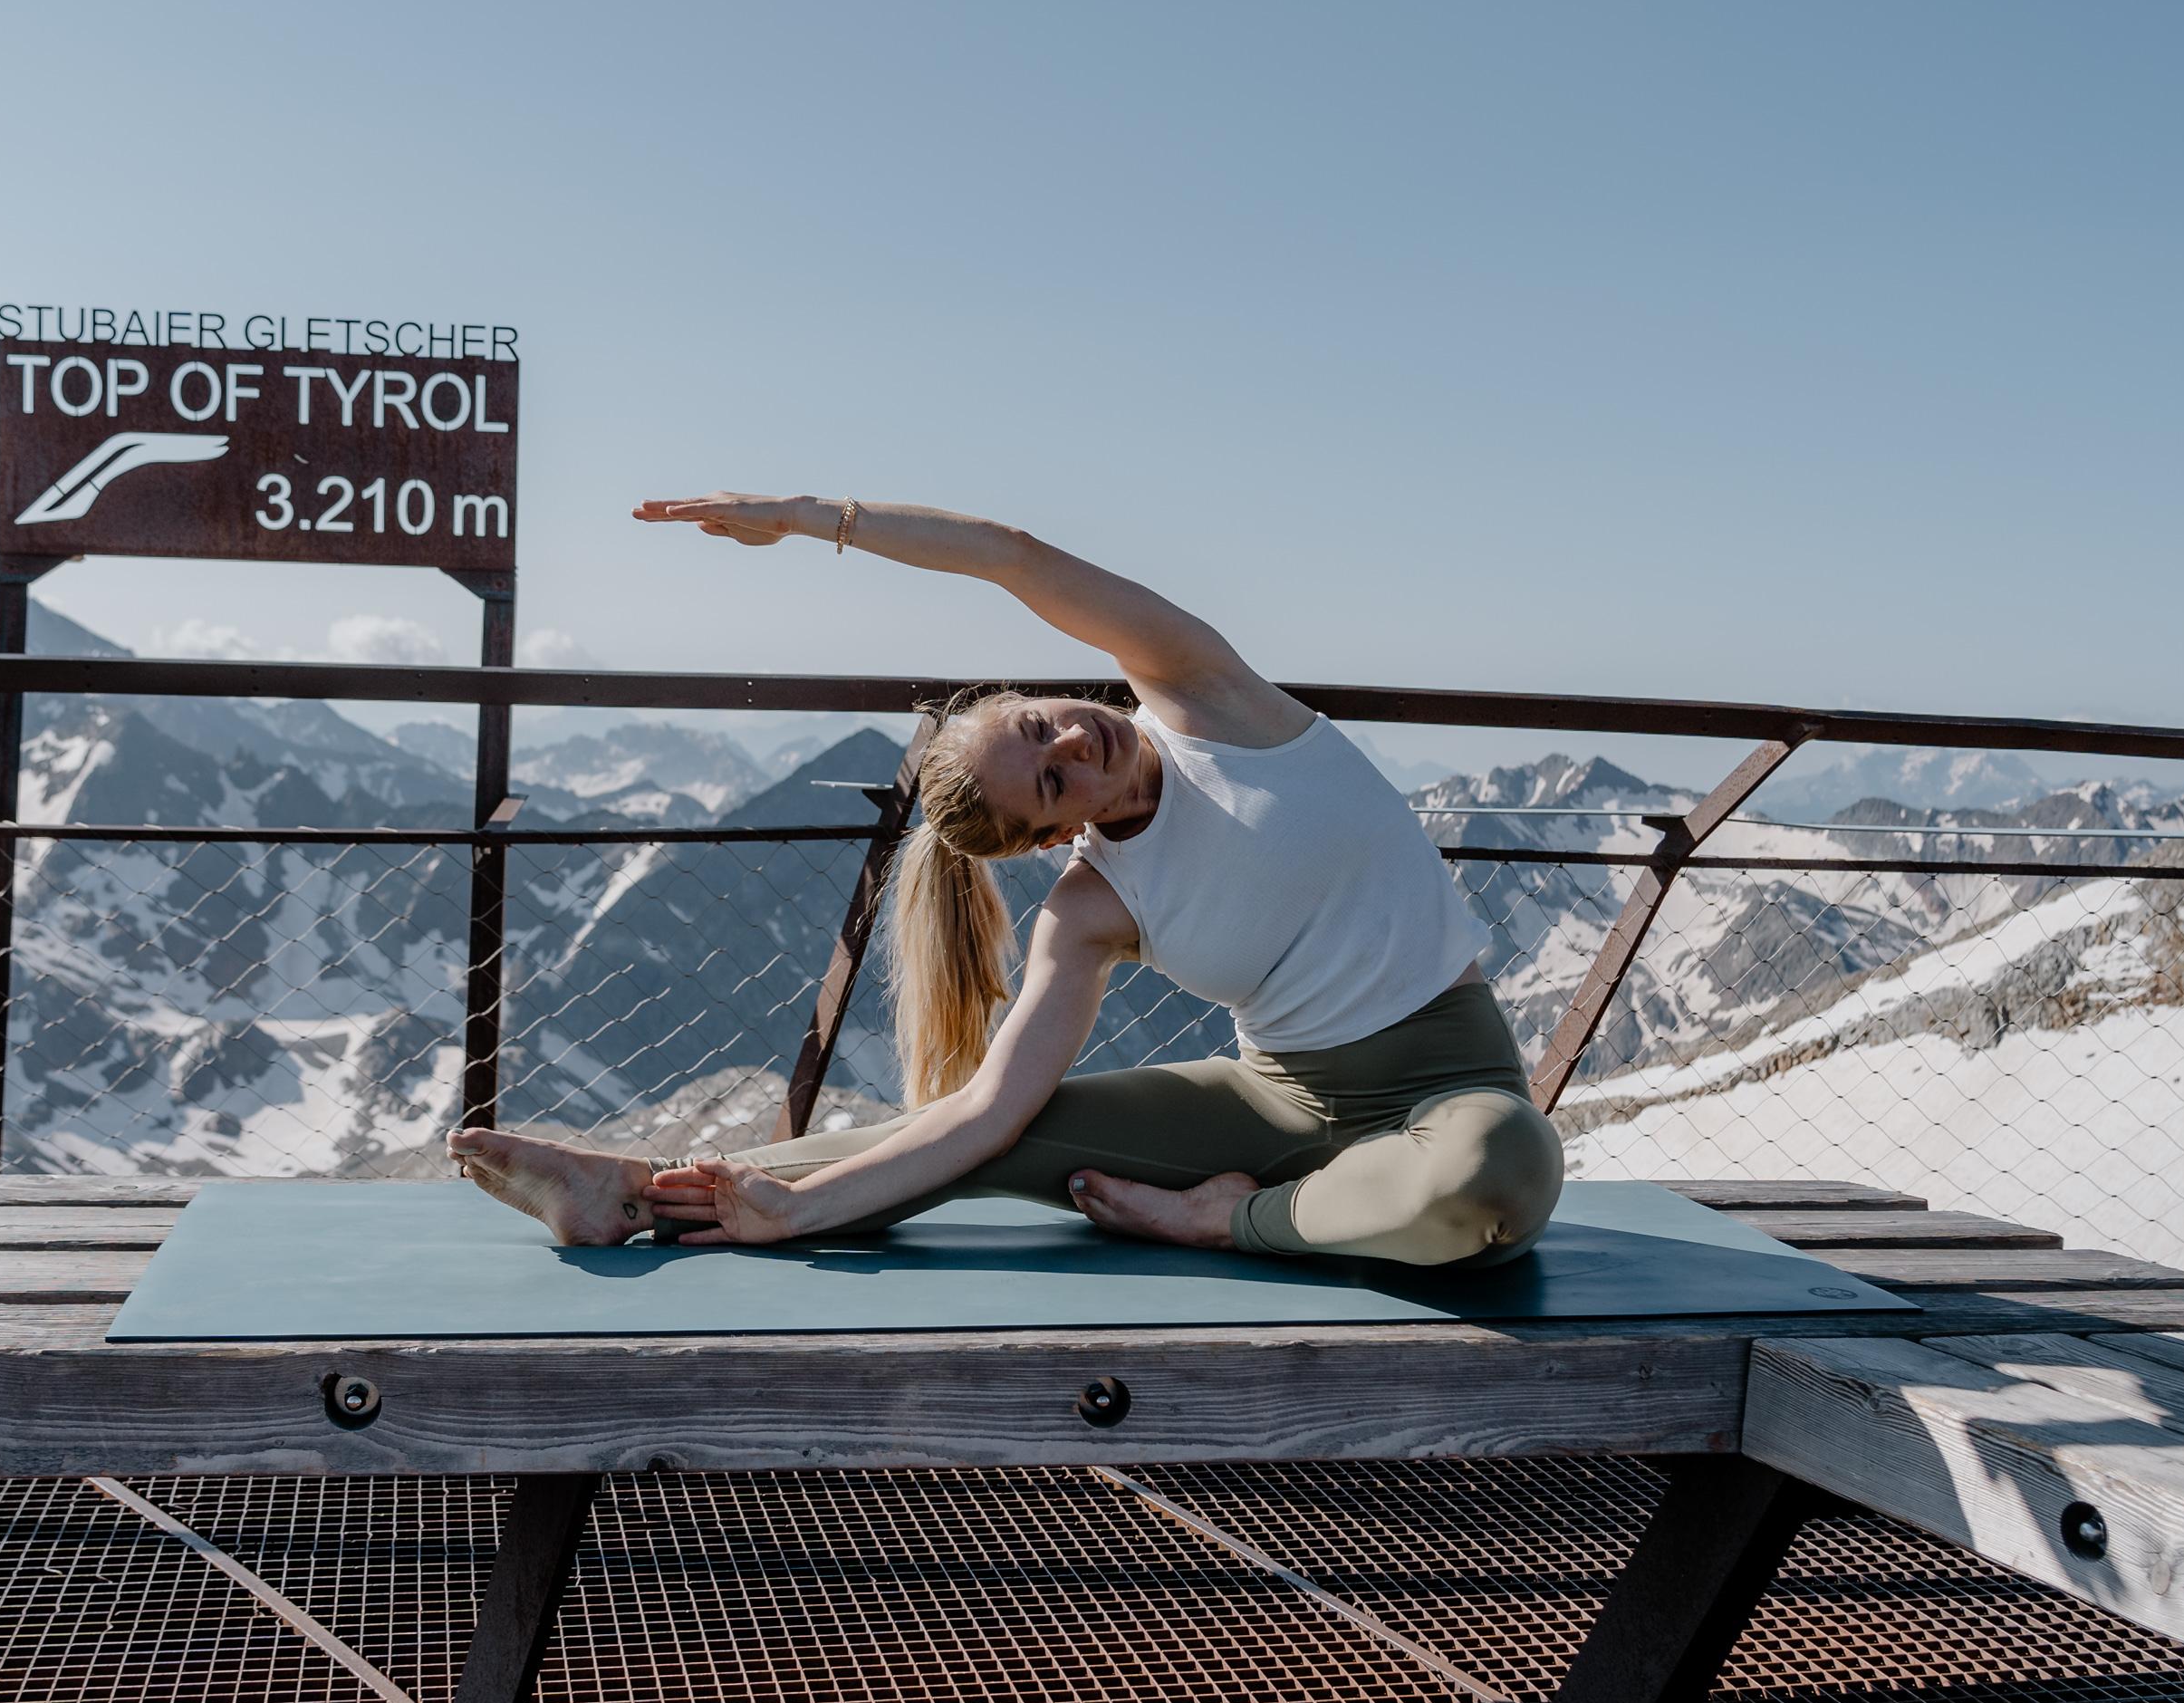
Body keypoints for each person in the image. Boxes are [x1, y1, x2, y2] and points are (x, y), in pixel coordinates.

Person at [449, 494, 1563, 1270]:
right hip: (1272, 1105)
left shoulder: (1206, 696)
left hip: (1445, 1089)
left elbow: (1012, 556)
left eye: (1041, 725)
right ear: (1051, 835)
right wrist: (794, 1212)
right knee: (1007, 1135)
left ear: (1033, 695)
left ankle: (1230, 1220)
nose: (1075, 744)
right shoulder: (1089, 907)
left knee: (1496, 1172)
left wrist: (809, 518)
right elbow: (983, 1116)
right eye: (1050, 781)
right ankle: (634, 1190)